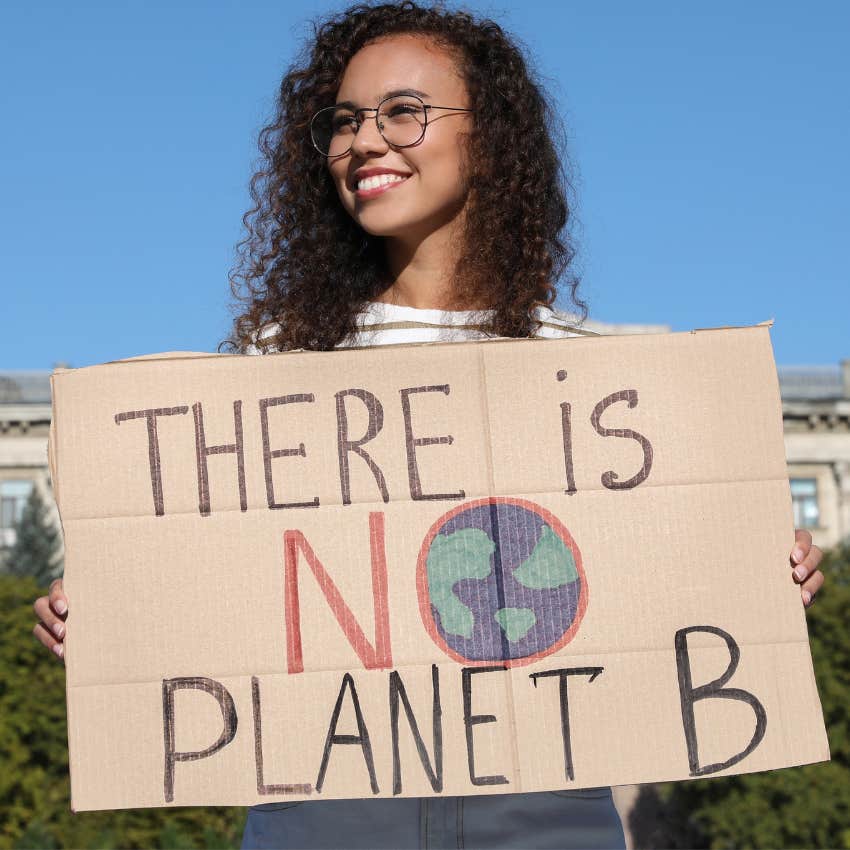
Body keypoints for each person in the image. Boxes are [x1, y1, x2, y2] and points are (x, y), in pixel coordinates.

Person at [32, 2, 826, 848]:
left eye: (403, 112)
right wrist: (117, 622)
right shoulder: (273, 370)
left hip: (546, 830)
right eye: (344, 122)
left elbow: (659, 603)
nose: (365, 141)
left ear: (489, 137)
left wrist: (754, 580)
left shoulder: (579, 376)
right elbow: (226, 599)